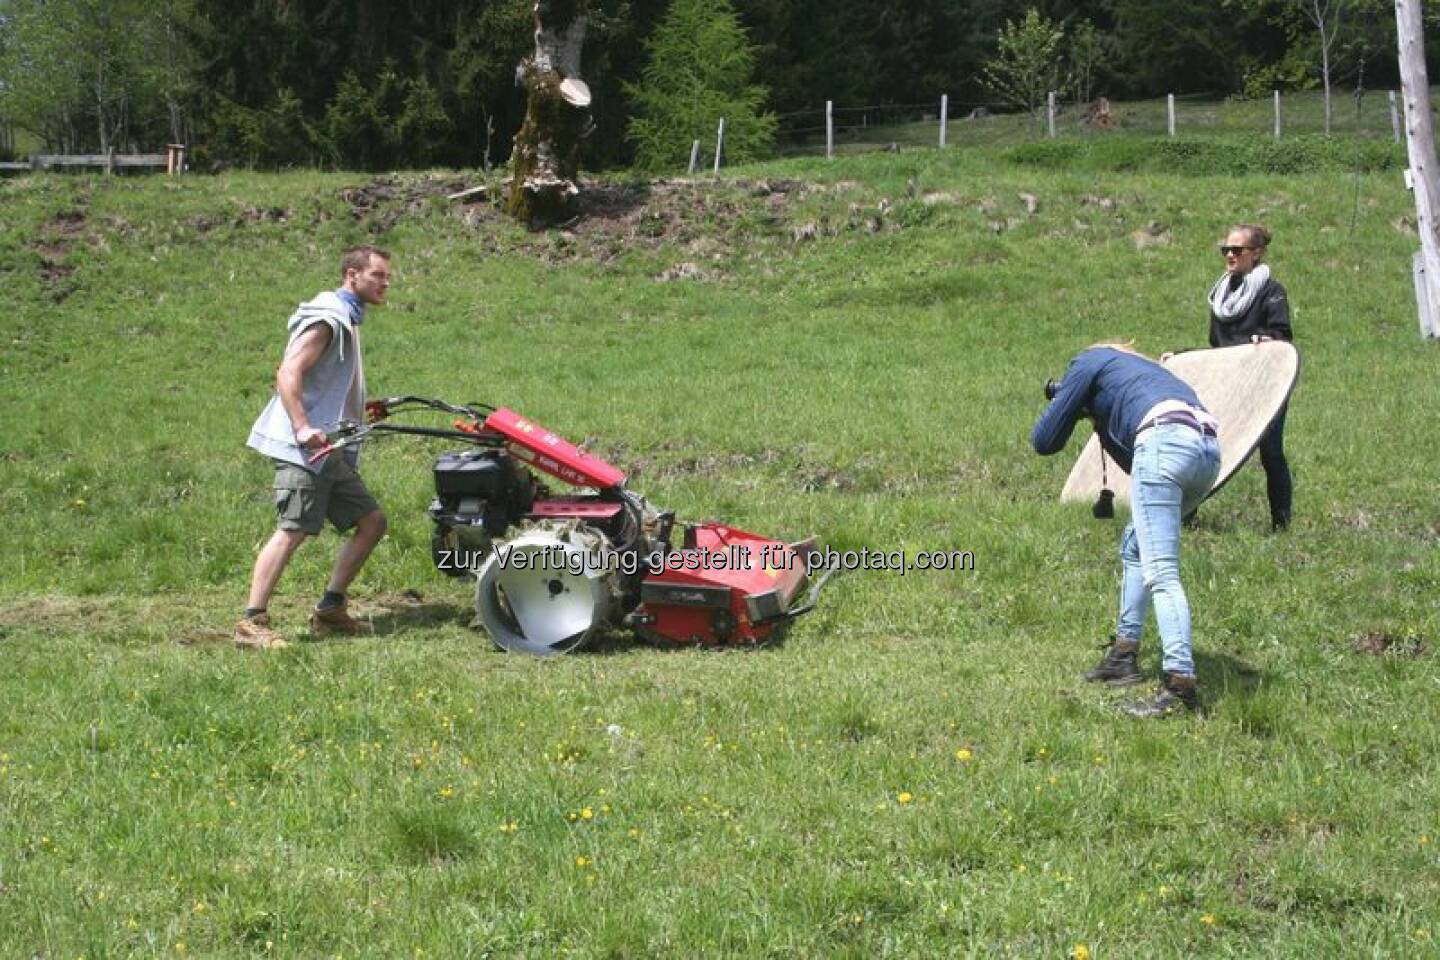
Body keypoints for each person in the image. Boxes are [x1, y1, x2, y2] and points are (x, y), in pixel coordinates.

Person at [1032, 344, 1221, 717]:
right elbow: (1132, 457)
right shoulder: (1148, 373)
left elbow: (1044, 441)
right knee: (1137, 545)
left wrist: (1073, 400)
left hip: (1165, 442)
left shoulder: (1090, 359)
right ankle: (1123, 654)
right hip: (1207, 450)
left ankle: (1180, 686)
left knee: (1162, 572)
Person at [234, 245, 394, 650]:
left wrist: (357, 409)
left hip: (329, 447)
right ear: (352, 275)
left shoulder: (349, 319)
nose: (385, 283)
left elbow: (328, 382)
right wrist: (303, 427)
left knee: (372, 521)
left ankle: (330, 609)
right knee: (293, 530)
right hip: (302, 447)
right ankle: (251, 621)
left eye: (387, 276)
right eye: (377, 275)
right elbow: (287, 373)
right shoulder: (328, 319)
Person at [1208, 224, 1293, 530]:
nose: (1230, 255)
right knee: (1206, 450)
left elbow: (1282, 337)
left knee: (1271, 454)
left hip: (1266, 385)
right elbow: (1216, 347)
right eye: (1226, 250)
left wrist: (1266, 341)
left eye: (1237, 250)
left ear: (1255, 254)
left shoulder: (1272, 292)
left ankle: (1281, 524)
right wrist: (1179, 356)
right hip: (1231, 383)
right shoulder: (1221, 297)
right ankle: (1187, 514)